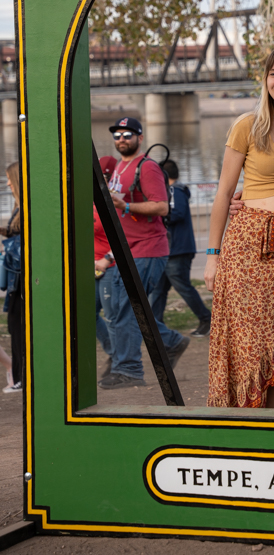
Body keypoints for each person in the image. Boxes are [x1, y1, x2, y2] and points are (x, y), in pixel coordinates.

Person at [205, 43, 274, 409]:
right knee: (251, 343)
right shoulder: (248, 126)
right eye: (273, 73)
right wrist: (212, 256)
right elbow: (223, 194)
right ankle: (247, 425)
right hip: (248, 245)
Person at [98, 117, 189, 389]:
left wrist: (125, 206)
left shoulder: (147, 167)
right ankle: (170, 342)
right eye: (117, 135)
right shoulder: (119, 167)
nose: (121, 139)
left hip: (148, 248)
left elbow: (161, 207)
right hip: (127, 250)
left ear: (140, 138)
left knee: (127, 309)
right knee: (124, 309)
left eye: (127, 134)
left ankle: (129, 370)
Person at [150, 159, 211, 337]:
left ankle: (207, 319)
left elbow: (177, 213)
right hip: (167, 250)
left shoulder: (175, 191)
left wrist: (154, 212)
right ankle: (155, 326)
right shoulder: (172, 190)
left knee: (183, 287)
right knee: (158, 289)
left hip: (178, 249)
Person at [94, 156, 117, 375]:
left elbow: (125, 236)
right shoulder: (90, 199)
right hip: (93, 266)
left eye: (103, 176)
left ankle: (119, 361)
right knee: (87, 313)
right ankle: (114, 353)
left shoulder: (115, 200)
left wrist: (108, 258)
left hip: (111, 265)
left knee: (112, 316)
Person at [2, 162, 22, 394]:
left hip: (21, 277)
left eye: (9, 178)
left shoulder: (29, 207)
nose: (7, 183)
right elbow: (15, 232)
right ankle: (17, 375)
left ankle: (20, 377)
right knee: (14, 325)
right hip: (14, 277)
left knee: (18, 326)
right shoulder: (18, 206)